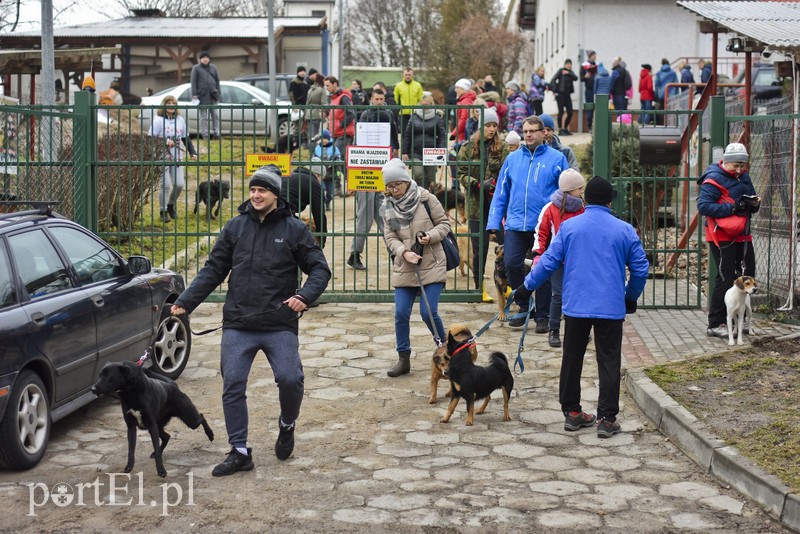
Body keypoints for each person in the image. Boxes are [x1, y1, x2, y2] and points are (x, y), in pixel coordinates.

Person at [171, 166, 331, 475]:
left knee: (290, 379)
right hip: (239, 321)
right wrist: (185, 302)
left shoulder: (294, 229)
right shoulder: (235, 227)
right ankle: (239, 450)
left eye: (263, 190)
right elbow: (213, 269)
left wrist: (304, 296)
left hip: (278, 321)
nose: (256, 195)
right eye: (253, 190)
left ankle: (287, 423)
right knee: (232, 383)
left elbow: (320, 269)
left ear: (275, 194)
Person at [515, 175, 649, 438]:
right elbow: (641, 268)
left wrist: (526, 286)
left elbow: (549, 261)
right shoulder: (624, 230)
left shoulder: (569, 228)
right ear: (611, 200)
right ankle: (607, 419)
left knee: (572, 358)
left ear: (585, 199)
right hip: (610, 306)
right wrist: (630, 296)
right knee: (609, 360)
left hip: (575, 305)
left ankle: (572, 413)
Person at [486, 115, 568, 330]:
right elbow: (501, 192)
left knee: (543, 269)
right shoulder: (512, 159)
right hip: (514, 224)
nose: (529, 134)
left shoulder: (557, 159)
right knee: (512, 264)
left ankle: (542, 315)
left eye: (533, 130)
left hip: (543, 226)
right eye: (526, 131)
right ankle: (523, 306)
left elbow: (565, 193)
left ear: (544, 133)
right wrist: (494, 220)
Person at [381, 158, 451, 377]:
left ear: (405, 180)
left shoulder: (426, 199)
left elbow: (444, 224)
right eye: (389, 186)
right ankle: (403, 359)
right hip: (405, 266)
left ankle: (448, 350)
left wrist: (430, 236)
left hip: (432, 263)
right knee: (401, 313)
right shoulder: (387, 206)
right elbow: (389, 235)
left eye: (397, 185)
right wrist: (403, 251)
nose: (394, 190)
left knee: (427, 311)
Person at [696, 143, 760, 338]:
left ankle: (739, 319)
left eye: (743, 165)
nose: (739, 170)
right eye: (735, 166)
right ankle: (716, 322)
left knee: (748, 274)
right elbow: (704, 206)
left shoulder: (744, 177)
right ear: (725, 161)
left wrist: (752, 205)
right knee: (727, 277)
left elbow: (747, 203)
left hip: (743, 232)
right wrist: (733, 208)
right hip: (722, 235)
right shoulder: (713, 179)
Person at [457, 107, 509, 302]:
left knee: (506, 244)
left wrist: (494, 185)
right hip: (476, 204)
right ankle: (479, 288)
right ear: (480, 127)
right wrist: (477, 184)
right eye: (488, 125)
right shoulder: (467, 147)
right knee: (480, 247)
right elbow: (461, 173)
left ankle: (507, 284)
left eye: (494, 125)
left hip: (497, 203)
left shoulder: (502, 147)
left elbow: (506, 170)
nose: (491, 129)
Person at [531, 169, 586, 348]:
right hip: (558, 259)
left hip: (578, 259)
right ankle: (554, 329)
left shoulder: (582, 207)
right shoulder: (551, 208)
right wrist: (538, 254)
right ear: (570, 190)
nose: (582, 192)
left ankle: (579, 331)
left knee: (578, 294)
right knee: (558, 295)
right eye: (579, 188)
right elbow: (541, 232)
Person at [347, 89, 398, 270]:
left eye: (382, 99)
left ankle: (395, 253)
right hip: (366, 174)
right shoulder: (364, 116)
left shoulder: (388, 114)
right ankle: (354, 254)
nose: (379, 101)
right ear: (371, 99)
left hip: (382, 173)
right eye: (376, 98)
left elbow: (394, 138)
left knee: (386, 217)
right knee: (364, 218)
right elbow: (356, 148)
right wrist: (351, 179)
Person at [148, 95, 198, 223]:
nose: (171, 105)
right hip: (161, 156)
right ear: (164, 105)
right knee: (165, 185)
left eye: (173, 103)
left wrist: (193, 152)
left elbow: (186, 138)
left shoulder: (180, 120)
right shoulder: (158, 120)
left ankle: (170, 205)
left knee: (179, 184)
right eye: (168, 103)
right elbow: (150, 139)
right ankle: (163, 211)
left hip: (177, 157)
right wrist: (165, 141)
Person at [402, 91, 446, 190]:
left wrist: (441, 151)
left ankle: (430, 199)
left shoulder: (437, 118)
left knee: (430, 179)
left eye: (427, 105)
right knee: (418, 174)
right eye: (423, 105)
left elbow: (442, 136)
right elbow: (407, 135)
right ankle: (421, 194)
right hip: (416, 152)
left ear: (431, 104)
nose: (425, 107)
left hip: (432, 152)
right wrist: (405, 151)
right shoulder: (414, 116)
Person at [281, 158, 328, 248]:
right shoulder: (314, 183)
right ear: (318, 175)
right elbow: (319, 214)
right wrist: (322, 239)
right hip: (284, 213)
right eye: (321, 179)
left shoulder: (291, 175)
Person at [324, 76, 356, 196]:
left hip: (344, 133)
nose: (326, 88)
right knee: (337, 160)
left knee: (338, 159)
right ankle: (338, 187)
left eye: (328, 85)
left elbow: (351, 113)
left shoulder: (343, 98)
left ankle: (351, 185)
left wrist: (340, 125)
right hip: (335, 133)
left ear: (335, 84)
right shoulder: (334, 98)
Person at [190, 51, 221, 140]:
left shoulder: (213, 68)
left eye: (206, 57)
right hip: (202, 96)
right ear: (200, 59)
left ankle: (216, 133)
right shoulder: (196, 68)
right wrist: (194, 94)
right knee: (203, 117)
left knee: (215, 115)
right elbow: (193, 82)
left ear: (209, 59)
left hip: (213, 95)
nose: (205, 59)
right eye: (203, 57)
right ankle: (205, 135)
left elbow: (217, 81)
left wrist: (218, 91)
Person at [313, 129, 342, 210]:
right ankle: (322, 204)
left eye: (325, 138)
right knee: (321, 190)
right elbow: (314, 158)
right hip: (320, 174)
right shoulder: (317, 148)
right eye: (322, 138)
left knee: (330, 192)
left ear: (328, 138)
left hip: (330, 174)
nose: (324, 140)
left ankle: (327, 202)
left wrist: (338, 171)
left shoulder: (334, 148)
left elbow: (339, 160)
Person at [394, 67, 424, 141]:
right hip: (403, 114)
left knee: (415, 132)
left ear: (412, 75)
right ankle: (405, 150)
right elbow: (396, 99)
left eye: (409, 75)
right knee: (404, 133)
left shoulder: (417, 85)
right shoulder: (398, 86)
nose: (408, 76)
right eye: (406, 74)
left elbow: (421, 99)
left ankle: (414, 149)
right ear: (403, 75)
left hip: (414, 113)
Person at [550, 59, 578, 135]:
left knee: (570, 112)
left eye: (570, 64)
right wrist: (554, 90)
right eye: (567, 64)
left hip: (567, 95)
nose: (569, 65)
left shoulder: (570, 72)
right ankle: (560, 130)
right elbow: (553, 80)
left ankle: (565, 128)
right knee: (561, 112)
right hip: (560, 94)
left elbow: (576, 78)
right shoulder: (561, 71)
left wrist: (568, 73)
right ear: (565, 64)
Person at [306, 73, 327, 150]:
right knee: (314, 136)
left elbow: (307, 103)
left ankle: (312, 154)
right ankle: (314, 155)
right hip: (316, 115)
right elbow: (324, 103)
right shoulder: (321, 90)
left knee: (310, 136)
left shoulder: (311, 89)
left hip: (309, 114)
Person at [452, 78, 476, 143]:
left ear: (464, 89)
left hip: (463, 135)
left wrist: (454, 133)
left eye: (457, 88)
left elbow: (464, 120)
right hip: (461, 134)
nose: (455, 90)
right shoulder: (464, 100)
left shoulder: (465, 102)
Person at [580, 50, 598, 131]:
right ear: (590, 56)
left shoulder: (597, 65)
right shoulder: (584, 65)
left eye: (595, 55)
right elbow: (581, 78)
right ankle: (589, 126)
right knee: (589, 107)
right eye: (594, 55)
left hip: (597, 89)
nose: (595, 56)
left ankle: (596, 125)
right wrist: (585, 76)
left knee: (597, 107)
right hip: (589, 89)